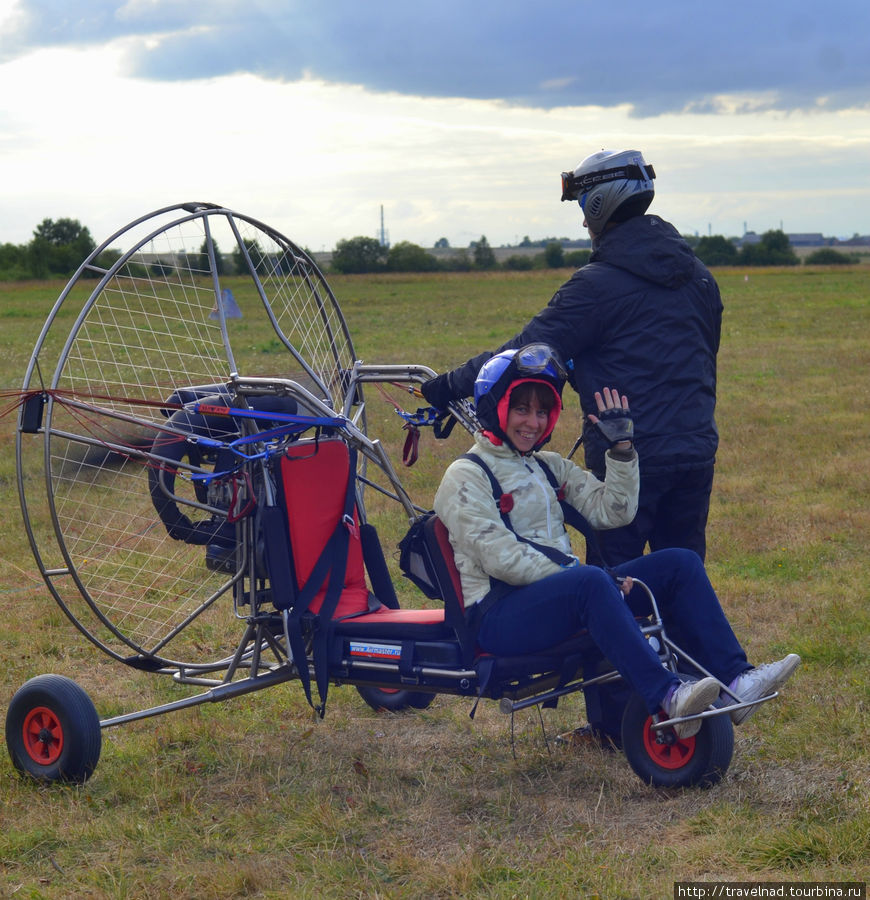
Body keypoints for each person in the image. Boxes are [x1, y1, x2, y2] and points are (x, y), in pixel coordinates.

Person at [432, 344, 799, 738]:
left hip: (562, 596)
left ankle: (735, 682)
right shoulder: (465, 475)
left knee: (679, 564)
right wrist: (588, 576)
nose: (533, 423)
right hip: (499, 617)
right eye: (522, 409)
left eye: (542, 411)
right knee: (589, 582)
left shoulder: (547, 466)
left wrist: (622, 450)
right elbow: (501, 558)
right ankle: (668, 694)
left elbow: (615, 511)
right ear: (495, 408)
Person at [422, 149, 723, 567]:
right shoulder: (701, 278)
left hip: (628, 455)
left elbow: (523, 353)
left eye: (584, 207)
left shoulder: (596, 286)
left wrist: (448, 385)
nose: (583, 221)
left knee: (614, 586)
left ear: (600, 204)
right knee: (682, 577)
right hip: (695, 449)